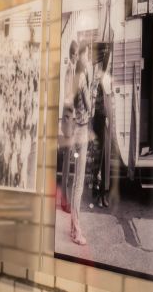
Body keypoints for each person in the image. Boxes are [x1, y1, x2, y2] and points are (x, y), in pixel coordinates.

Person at [70, 44, 92, 245]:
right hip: (82, 131)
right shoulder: (83, 78)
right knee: (79, 184)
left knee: (76, 181)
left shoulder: (74, 77)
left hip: (76, 129)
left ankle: (72, 227)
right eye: (87, 56)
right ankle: (77, 232)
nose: (88, 59)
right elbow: (90, 106)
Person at [92, 50, 114, 208]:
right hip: (102, 121)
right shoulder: (101, 80)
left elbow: (112, 101)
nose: (111, 63)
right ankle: (100, 194)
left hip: (108, 121)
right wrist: (105, 117)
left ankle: (105, 193)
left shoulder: (109, 79)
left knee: (107, 158)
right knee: (101, 158)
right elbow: (99, 104)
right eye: (110, 60)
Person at [59, 40, 79, 213]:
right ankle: (64, 201)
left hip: (70, 118)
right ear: (73, 55)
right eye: (77, 54)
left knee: (69, 160)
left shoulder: (72, 70)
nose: (78, 57)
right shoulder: (69, 71)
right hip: (68, 118)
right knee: (66, 161)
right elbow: (67, 97)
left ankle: (65, 200)